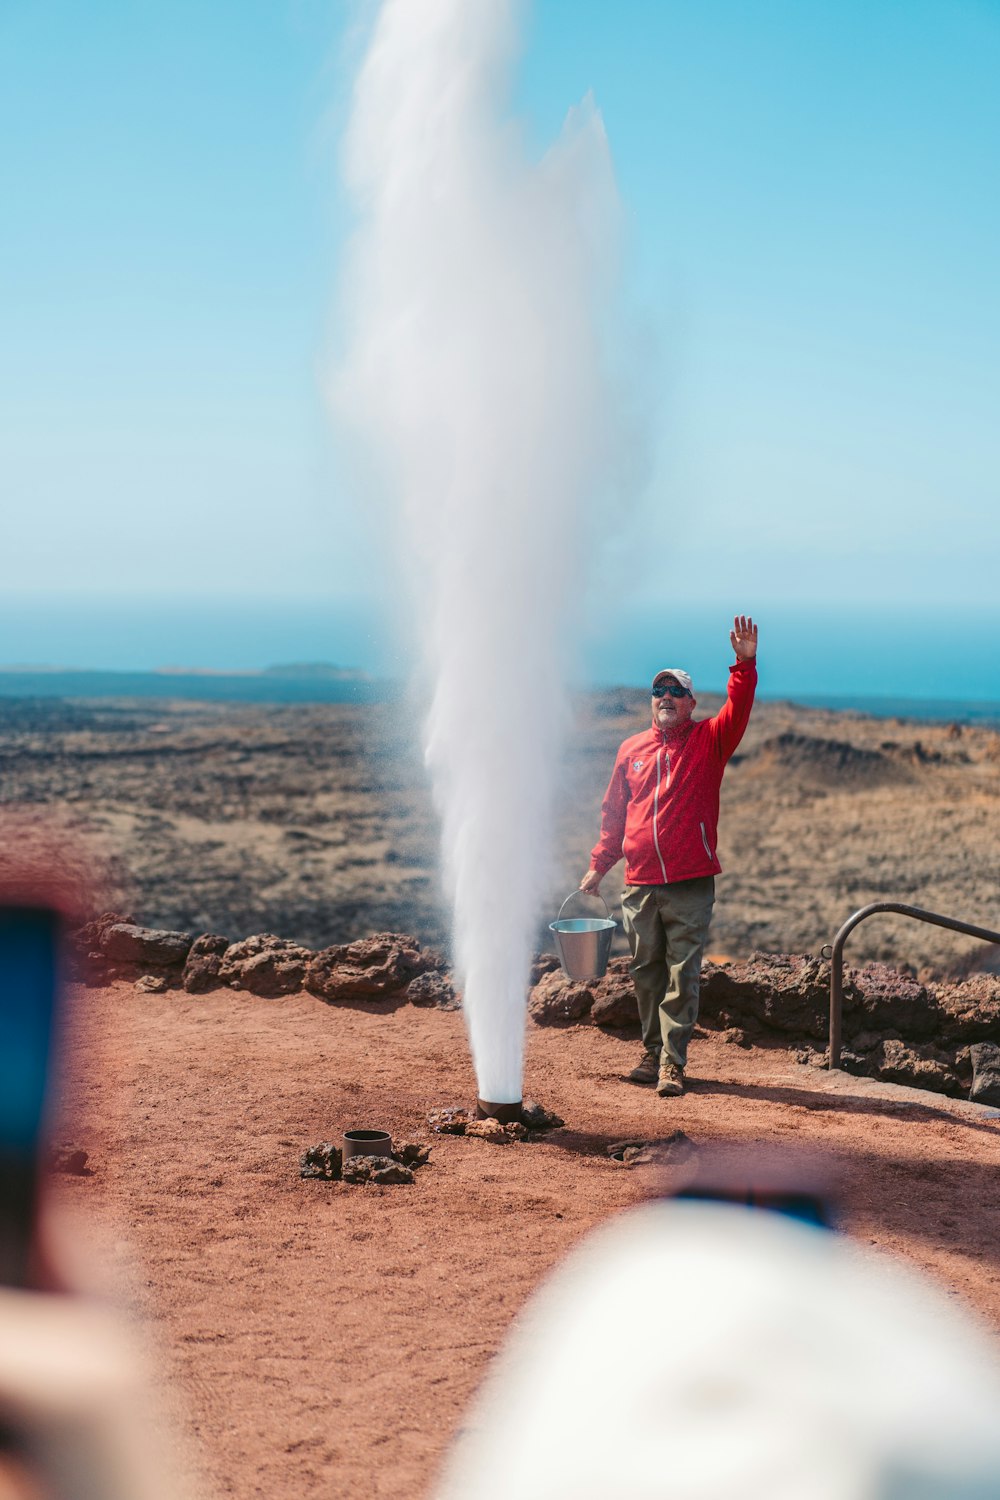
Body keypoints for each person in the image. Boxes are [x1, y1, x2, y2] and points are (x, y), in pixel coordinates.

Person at [579, 616, 758, 1097]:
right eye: (659, 691)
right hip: (638, 883)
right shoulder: (632, 749)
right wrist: (599, 866)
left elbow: (738, 709)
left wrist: (744, 664)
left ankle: (673, 1064)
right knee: (645, 971)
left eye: (675, 692)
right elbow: (614, 814)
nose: (666, 698)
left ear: (690, 703)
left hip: (689, 881)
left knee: (683, 973)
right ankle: (652, 1051)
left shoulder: (709, 741)